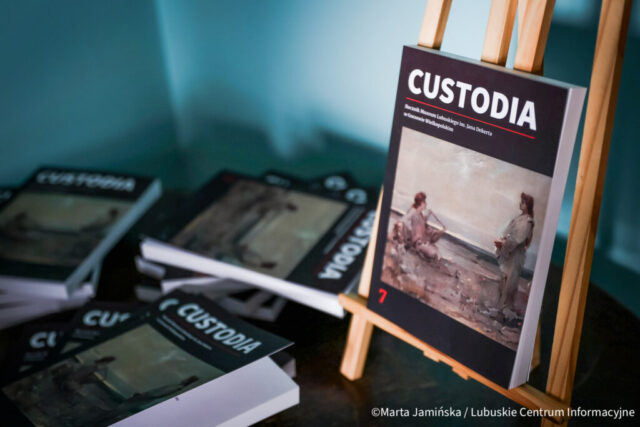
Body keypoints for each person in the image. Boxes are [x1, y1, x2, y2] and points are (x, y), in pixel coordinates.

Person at [494, 192, 535, 312]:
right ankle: (498, 310)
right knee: (503, 282)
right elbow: (508, 234)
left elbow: (518, 239)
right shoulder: (519, 218)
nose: (520, 204)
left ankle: (505, 312)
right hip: (509, 254)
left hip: (516, 255)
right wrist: (502, 242)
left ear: (528, 205)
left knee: (510, 285)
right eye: (521, 201)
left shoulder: (528, 221)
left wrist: (504, 245)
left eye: (523, 202)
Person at [392, 192, 446, 261]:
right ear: (421, 203)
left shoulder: (420, 214)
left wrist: (440, 231)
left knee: (437, 252)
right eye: (425, 202)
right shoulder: (413, 212)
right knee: (434, 253)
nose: (426, 204)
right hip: (417, 243)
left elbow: (422, 223)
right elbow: (403, 221)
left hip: (421, 241)